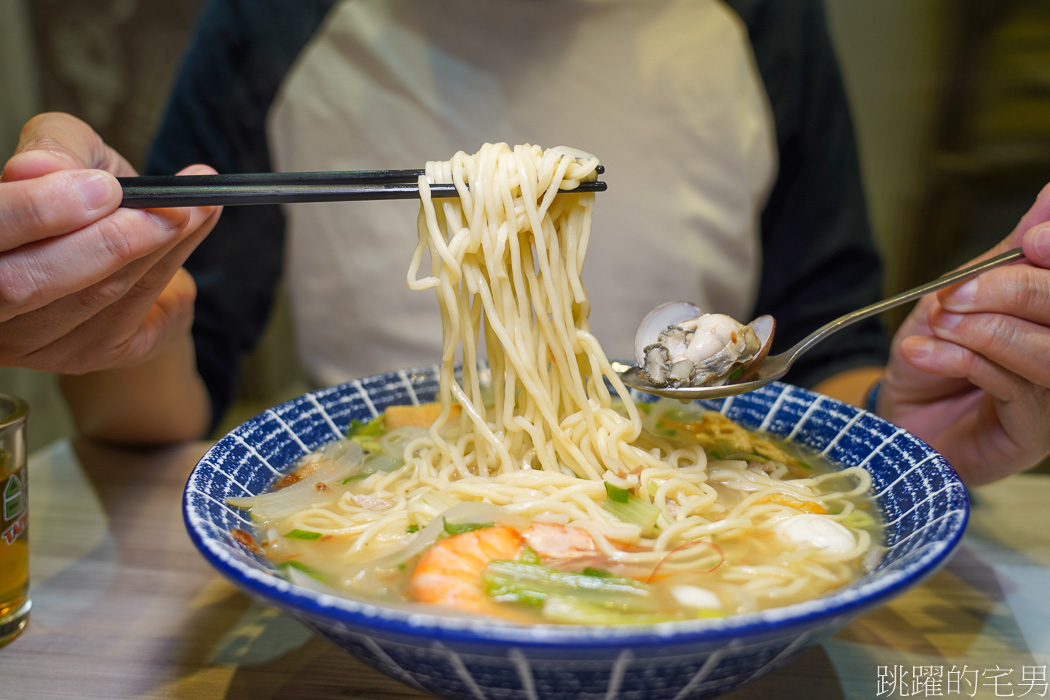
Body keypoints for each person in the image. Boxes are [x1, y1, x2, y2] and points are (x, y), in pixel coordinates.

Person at [1, 0, 1048, 487]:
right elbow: (167, 394)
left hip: (695, 491)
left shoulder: (757, 21)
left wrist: (908, 421)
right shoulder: (272, 25)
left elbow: (823, 337)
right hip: (377, 512)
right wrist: (110, 314)